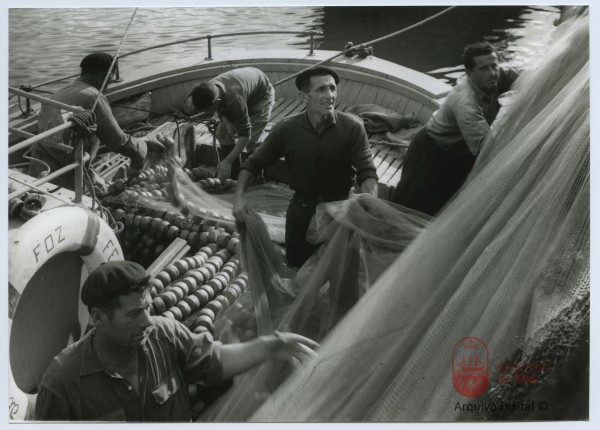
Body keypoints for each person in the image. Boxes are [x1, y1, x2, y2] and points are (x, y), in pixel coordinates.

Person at [34, 261, 318, 422]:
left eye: (147, 308)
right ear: (98, 317)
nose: (148, 321)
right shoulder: (62, 385)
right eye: (134, 313)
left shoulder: (165, 335)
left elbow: (213, 361)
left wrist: (269, 346)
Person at [233, 66, 378, 268]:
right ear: (304, 96)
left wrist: (370, 200)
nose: (330, 95)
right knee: (295, 266)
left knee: (343, 271)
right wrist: (239, 197)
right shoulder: (286, 129)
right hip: (302, 211)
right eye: (321, 89)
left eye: (332, 88)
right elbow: (254, 163)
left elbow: (366, 169)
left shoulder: (352, 127)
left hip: (341, 212)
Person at [391, 42, 519, 215]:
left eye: (494, 65)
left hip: (460, 151)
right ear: (469, 74)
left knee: (447, 205)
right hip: (431, 152)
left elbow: (523, 76)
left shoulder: (495, 76)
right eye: (484, 68)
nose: (492, 73)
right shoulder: (465, 103)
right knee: (413, 208)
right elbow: (486, 149)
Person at [29, 52, 169, 190]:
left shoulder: (62, 91)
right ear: (102, 76)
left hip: (39, 165)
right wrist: (138, 158)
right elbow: (118, 141)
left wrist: (91, 172)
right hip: (62, 178)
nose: (109, 84)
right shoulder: (93, 98)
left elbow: (68, 140)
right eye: (109, 79)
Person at [190, 67, 275, 181]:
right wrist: (226, 121)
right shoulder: (209, 89)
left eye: (206, 110)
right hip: (243, 91)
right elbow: (219, 106)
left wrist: (227, 161)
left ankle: (257, 176)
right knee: (222, 133)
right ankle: (234, 175)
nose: (204, 113)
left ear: (217, 102)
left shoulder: (234, 100)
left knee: (252, 142)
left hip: (261, 96)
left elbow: (245, 135)